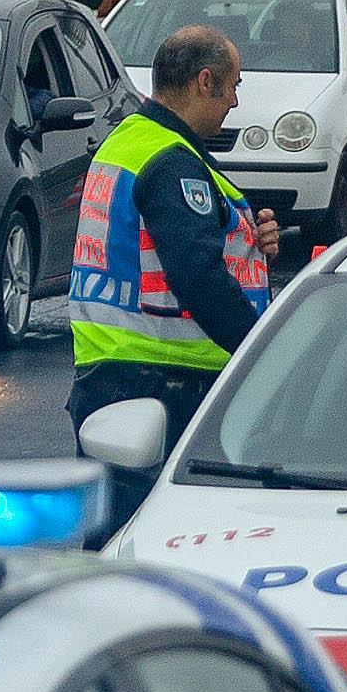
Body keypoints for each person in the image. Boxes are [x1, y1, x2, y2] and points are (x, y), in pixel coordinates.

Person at [67, 27, 277, 439]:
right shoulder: (170, 162)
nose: (234, 100)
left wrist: (250, 241)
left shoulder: (131, 140)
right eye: (233, 85)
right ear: (204, 81)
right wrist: (261, 354)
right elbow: (197, 274)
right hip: (164, 382)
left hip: (117, 378)